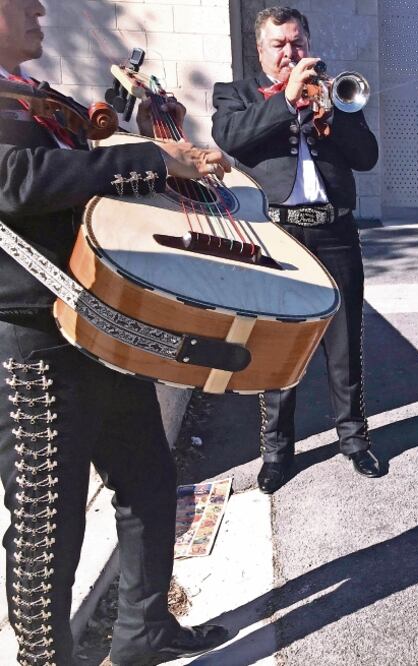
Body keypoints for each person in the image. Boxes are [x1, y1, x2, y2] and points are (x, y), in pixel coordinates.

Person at [0, 1, 232, 663]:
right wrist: (152, 158)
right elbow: (15, 183)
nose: (40, 8)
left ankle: (143, 633)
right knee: (49, 519)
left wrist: (129, 123)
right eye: (22, 0)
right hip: (29, 334)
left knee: (148, 482)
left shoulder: (27, 96)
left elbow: (74, 168)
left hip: (95, 322)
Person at [212, 6, 382, 493]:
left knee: (346, 339)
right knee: (276, 344)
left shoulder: (333, 89)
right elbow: (230, 138)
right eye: (278, 45)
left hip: (334, 230)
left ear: (308, 41)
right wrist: (286, 102)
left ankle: (354, 439)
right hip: (278, 233)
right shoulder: (237, 95)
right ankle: (276, 452)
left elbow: (366, 158)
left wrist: (335, 110)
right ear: (260, 50)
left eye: (296, 42)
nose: (290, 52)